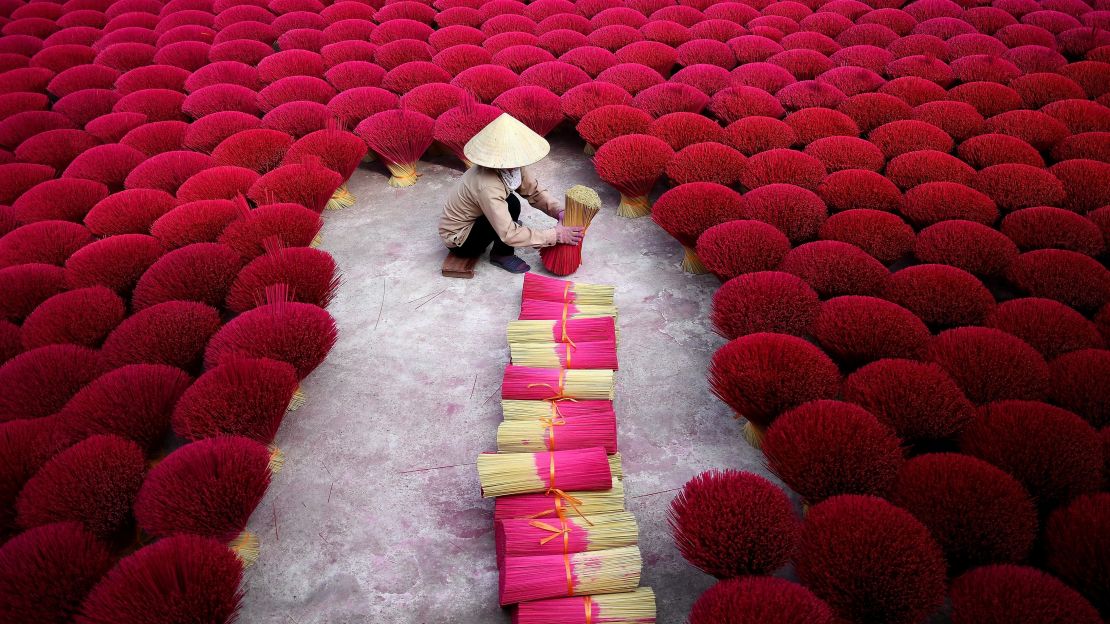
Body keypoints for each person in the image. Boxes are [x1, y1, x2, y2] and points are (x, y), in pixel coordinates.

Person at [439, 113, 584, 274]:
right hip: (461, 239)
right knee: (510, 208)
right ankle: (501, 254)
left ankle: (501, 244)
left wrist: (559, 211)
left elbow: (534, 191)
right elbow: (508, 233)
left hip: (478, 216)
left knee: (511, 202)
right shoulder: (487, 185)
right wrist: (555, 235)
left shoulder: (512, 166)